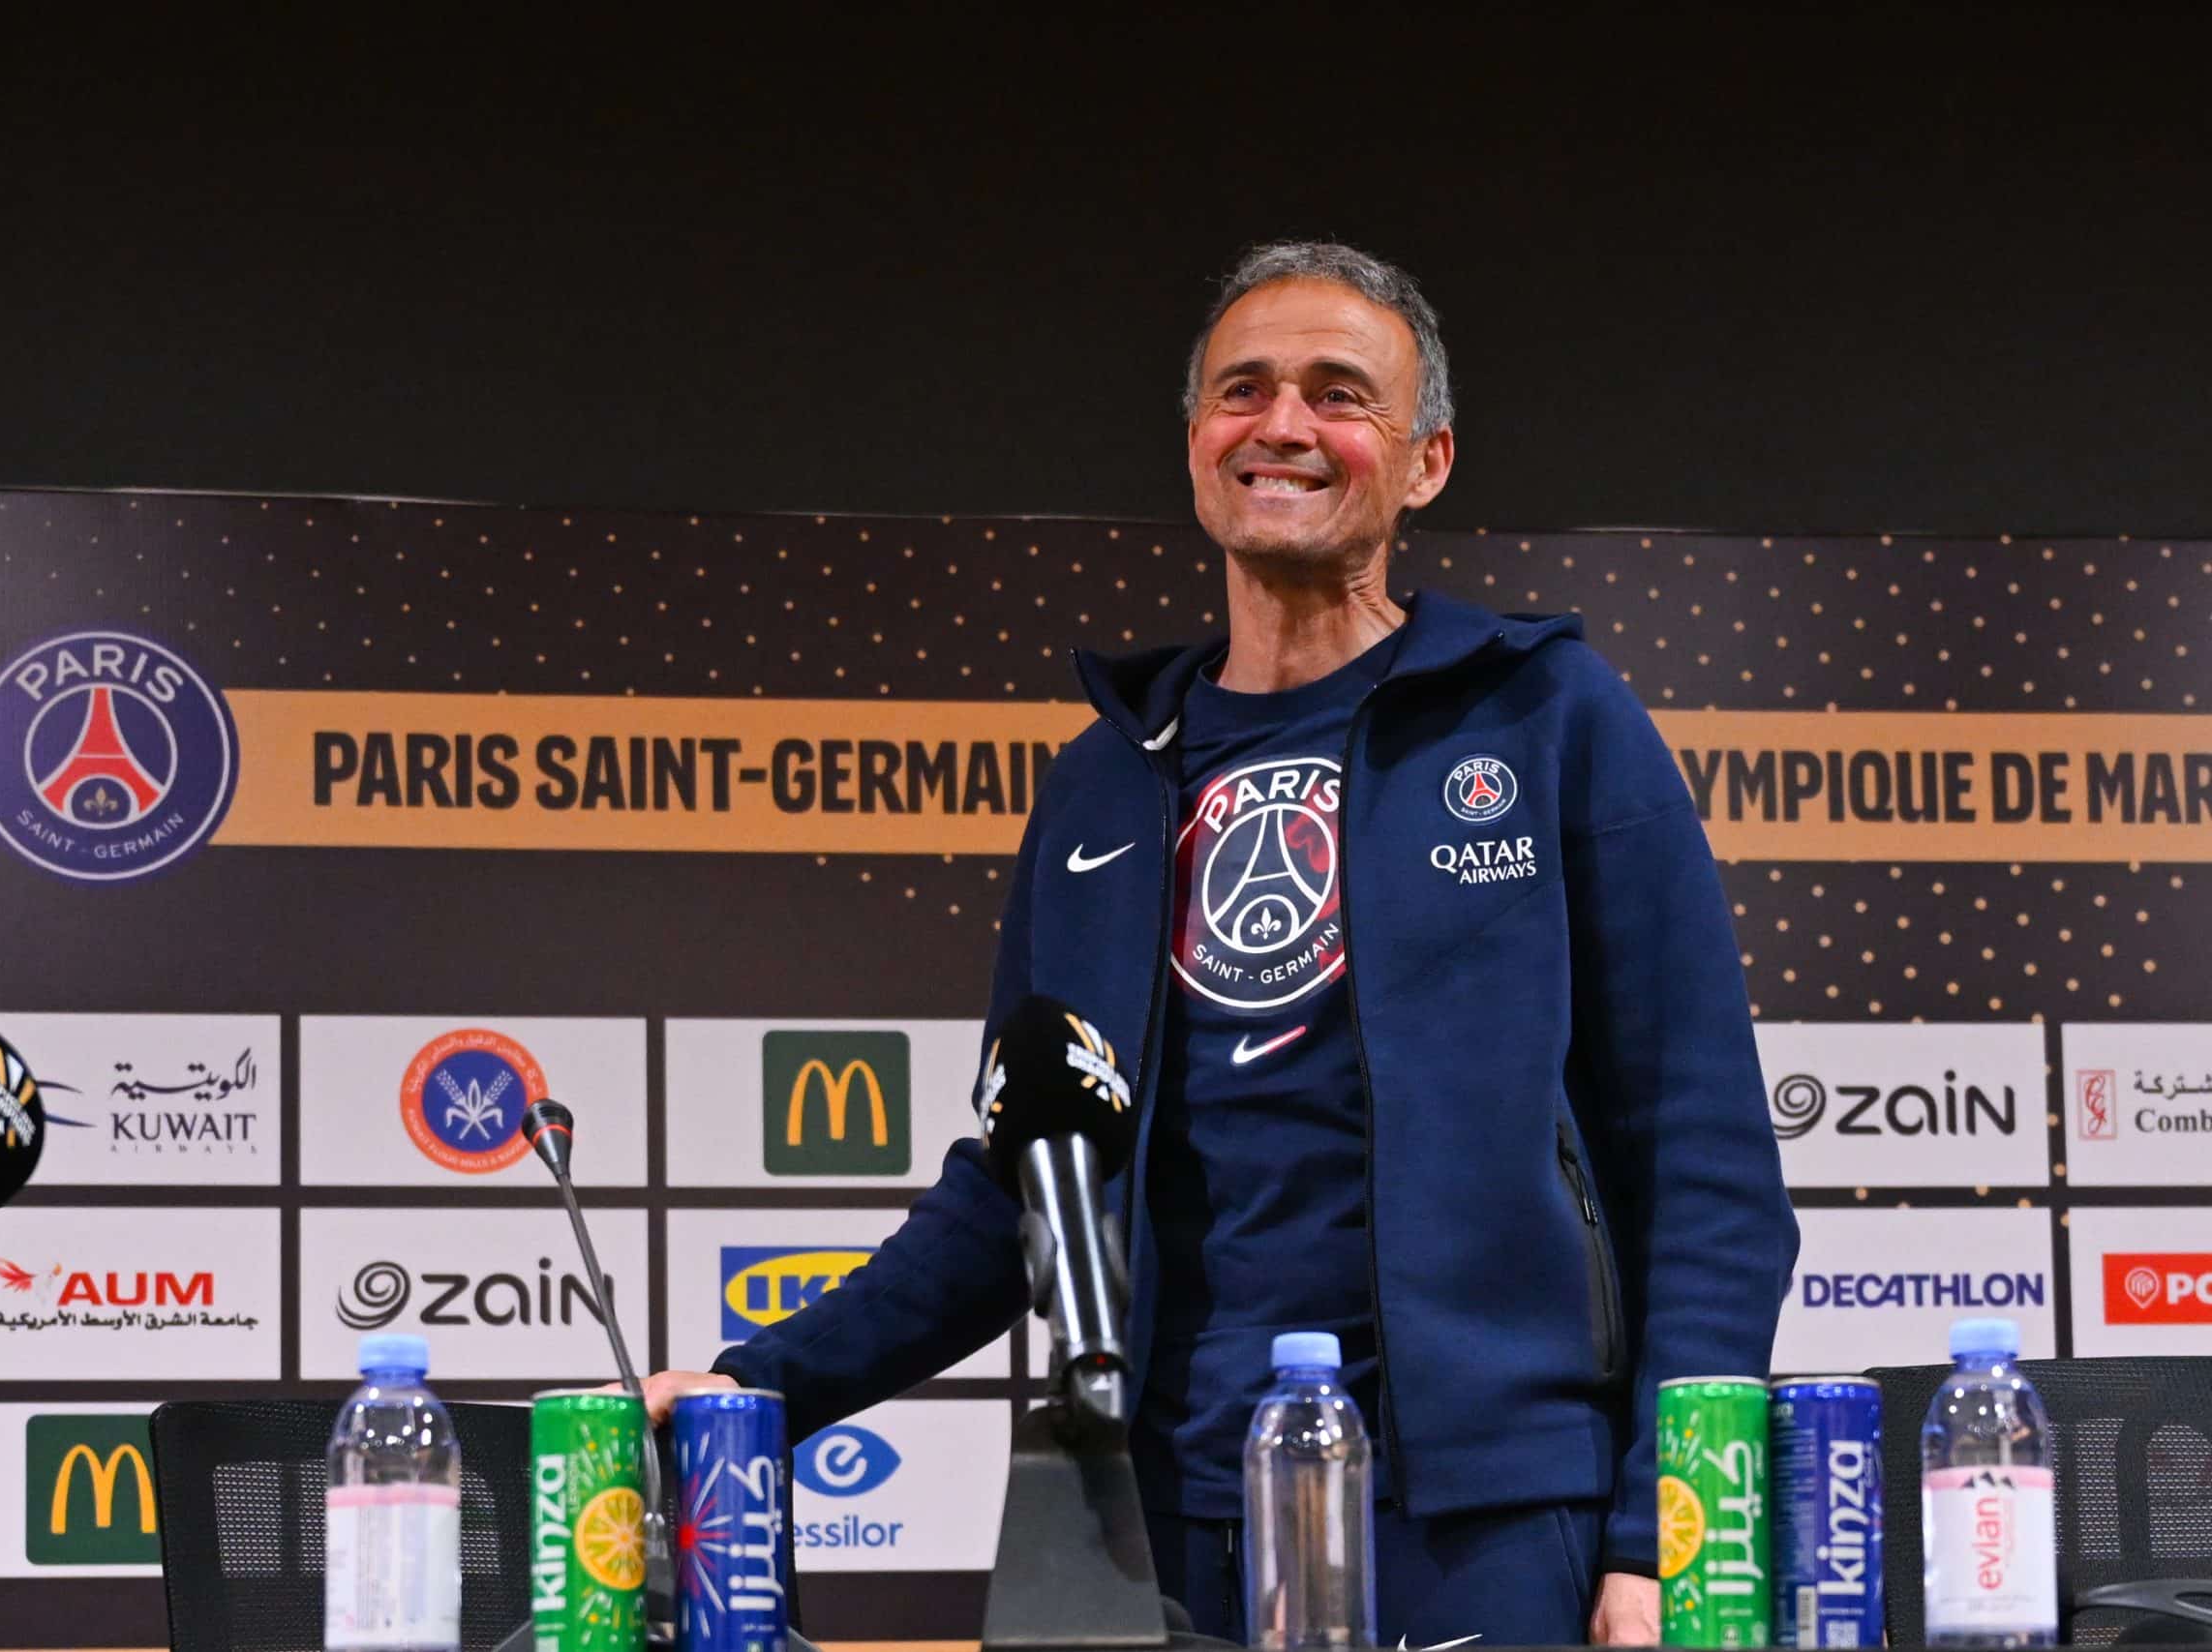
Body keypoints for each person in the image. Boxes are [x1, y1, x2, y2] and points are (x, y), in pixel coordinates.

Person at [641, 241, 1799, 1646]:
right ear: (1197, 448)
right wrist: (758, 1390)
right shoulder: (1103, 785)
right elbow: (1028, 1183)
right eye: (1242, 390)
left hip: (1490, 1522)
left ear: (1425, 460)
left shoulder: (1548, 719)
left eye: (1338, 393)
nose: (1285, 426)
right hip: (1165, 1522)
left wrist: (1664, 1542)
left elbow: (1706, 1165)